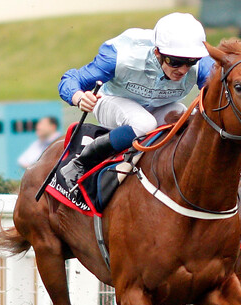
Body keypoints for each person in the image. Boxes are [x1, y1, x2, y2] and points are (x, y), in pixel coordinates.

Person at [57, 12, 215, 191]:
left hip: (161, 105)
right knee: (144, 123)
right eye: (176, 62)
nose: (183, 69)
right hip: (112, 99)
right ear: (157, 52)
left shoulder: (203, 65)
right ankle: (80, 163)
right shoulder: (120, 56)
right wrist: (79, 97)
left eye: (190, 62)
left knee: (190, 119)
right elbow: (70, 79)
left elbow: (222, 101)